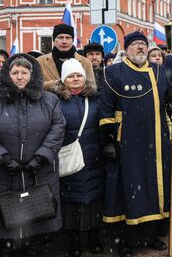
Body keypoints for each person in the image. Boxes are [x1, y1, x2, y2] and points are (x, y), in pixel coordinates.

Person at [100, 31, 172, 256]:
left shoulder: (158, 70)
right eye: (135, 45)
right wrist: (108, 140)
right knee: (130, 188)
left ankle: (151, 235)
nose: (140, 48)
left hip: (156, 139)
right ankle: (127, 241)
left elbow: (168, 103)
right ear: (126, 49)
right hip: (127, 141)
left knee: (155, 186)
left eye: (142, 45)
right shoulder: (112, 72)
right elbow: (106, 109)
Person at [0, 53, 65, 257]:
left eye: (24, 72)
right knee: (8, 219)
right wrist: (3, 157)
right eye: (15, 72)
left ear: (32, 74)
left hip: (40, 172)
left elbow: (58, 127)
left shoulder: (50, 100)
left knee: (39, 221)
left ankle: (35, 249)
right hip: (5, 174)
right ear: (7, 75)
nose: (19, 77)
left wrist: (42, 156)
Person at [50, 59, 104, 256]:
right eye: (70, 76)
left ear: (84, 77)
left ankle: (94, 237)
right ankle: (74, 242)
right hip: (68, 159)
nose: (75, 79)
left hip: (94, 158)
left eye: (78, 75)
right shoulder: (54, 100)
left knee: (94, 200)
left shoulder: (96, 98)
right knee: (71, 202)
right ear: (63, 80)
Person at [37, 24, 95, 91]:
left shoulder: (85, 62)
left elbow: (91, 87)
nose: (64, 42)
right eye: (60, 37)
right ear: (54, 40)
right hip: (50, 100)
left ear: (72, 40)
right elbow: (34, 85)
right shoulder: (40, 62)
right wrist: (53, 84)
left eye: (68, 38)